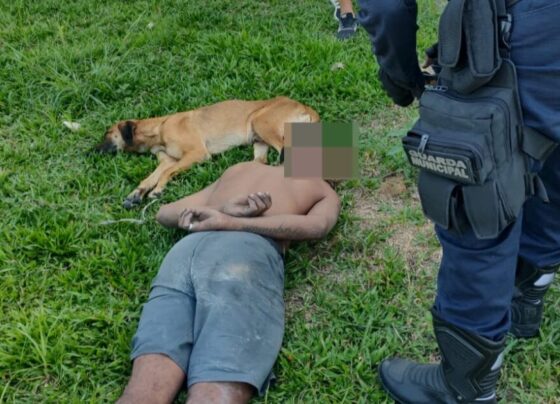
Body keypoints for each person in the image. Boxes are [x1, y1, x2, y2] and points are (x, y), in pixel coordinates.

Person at [357, 0, 560, 403]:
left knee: (475, 206)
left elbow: (386, 7)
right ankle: (525, 300)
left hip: (517, 31)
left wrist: (402, 76)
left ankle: (464, 387)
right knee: (551, 160)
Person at [117, 161, 340, 404]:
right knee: (215, 390)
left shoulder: (240, 169)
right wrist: (232, 221)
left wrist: (220, 210)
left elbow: (164, 213)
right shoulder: (321, 187)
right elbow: (317, 226)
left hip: (185, 253)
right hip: (241, 257)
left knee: (144, 389)